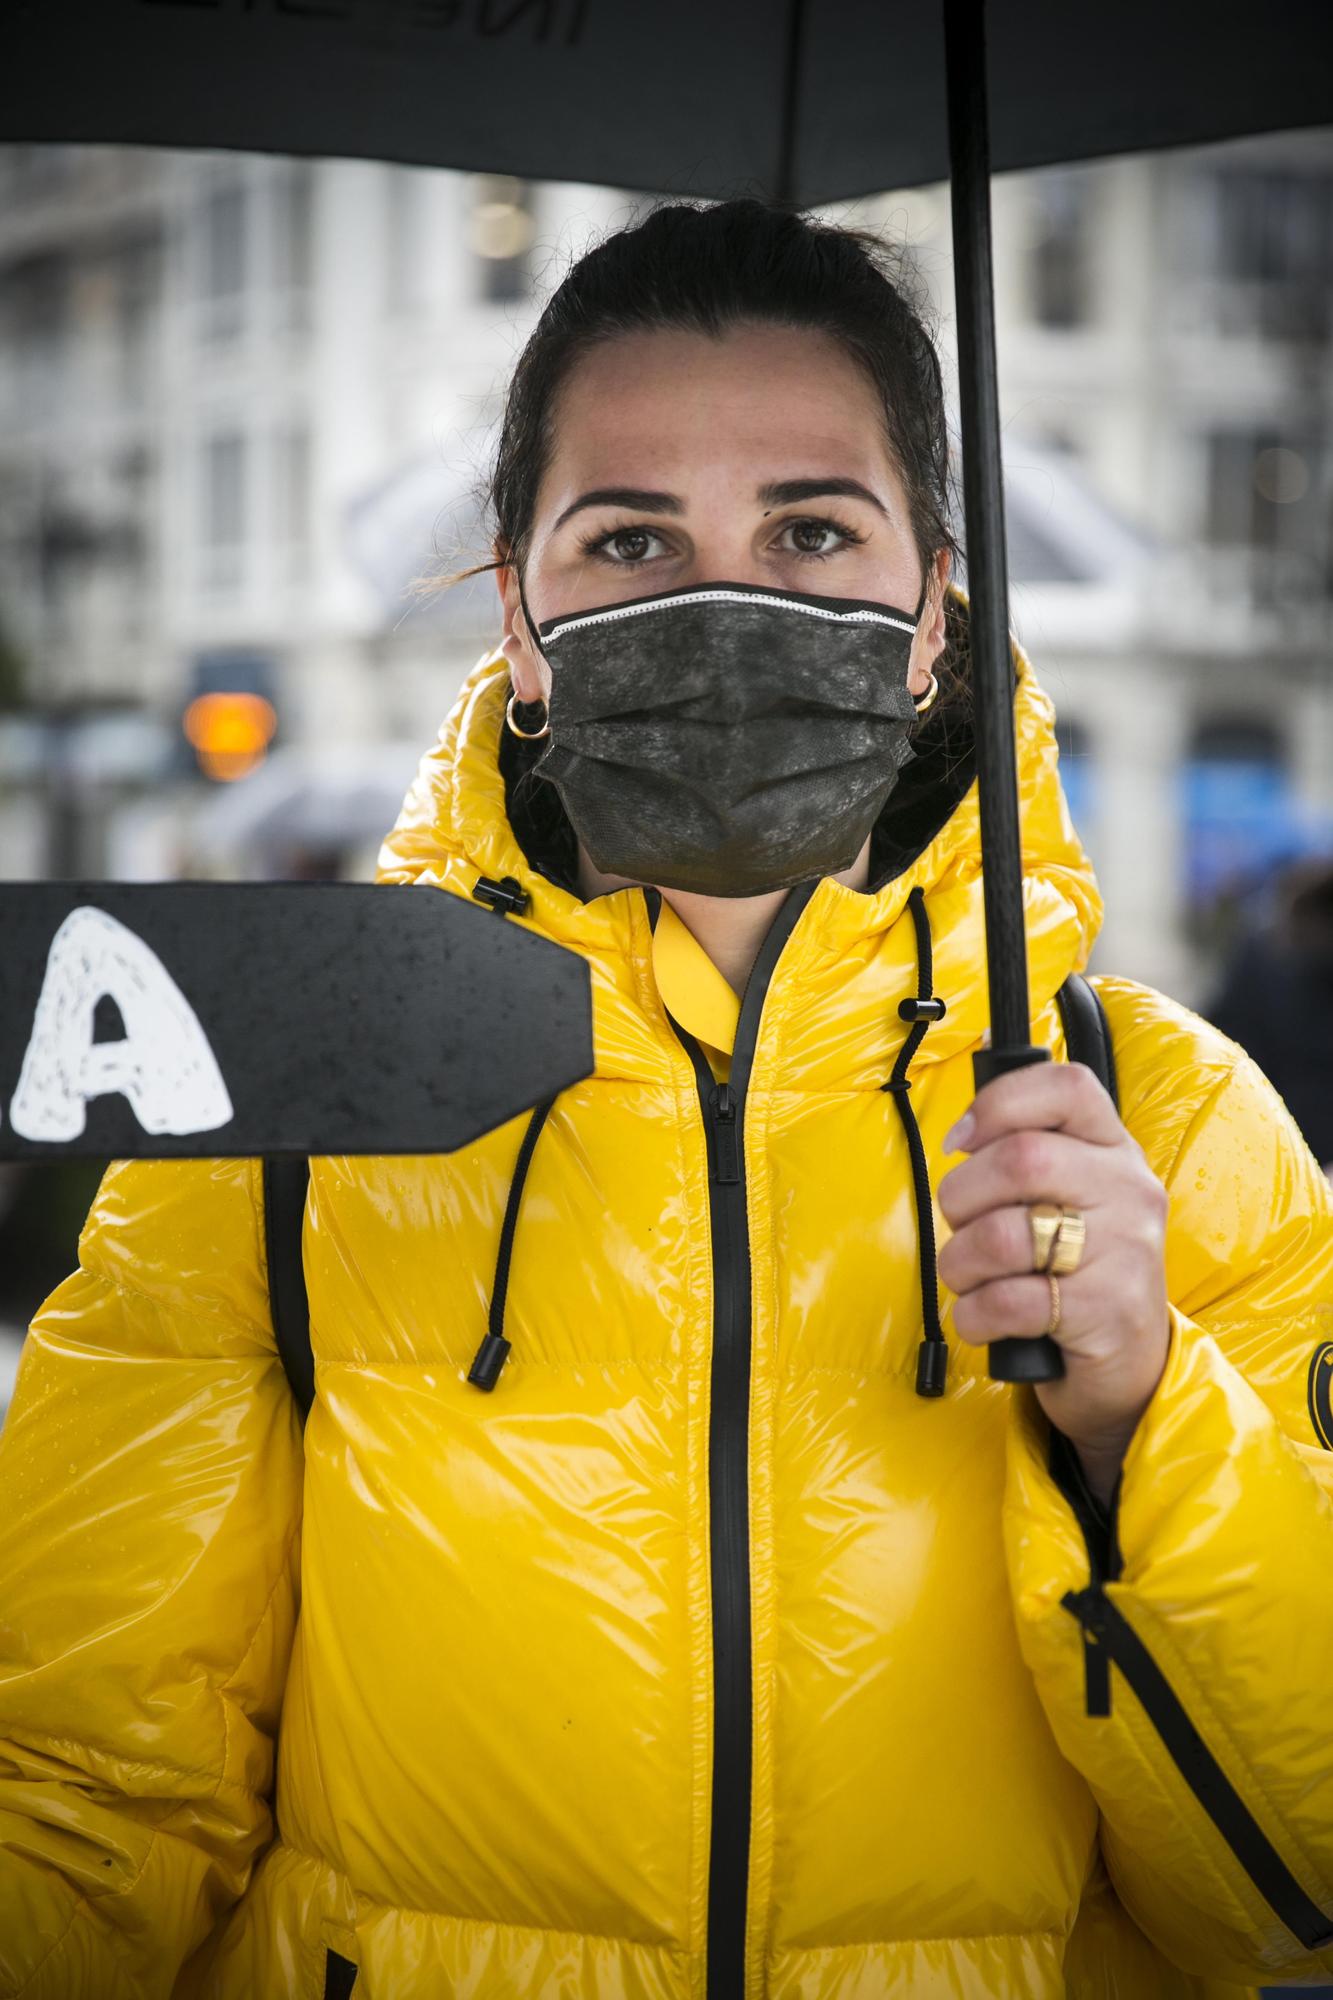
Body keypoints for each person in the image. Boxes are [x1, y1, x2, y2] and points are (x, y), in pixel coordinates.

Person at [1, 200, 1330, 2000]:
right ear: (523, 622)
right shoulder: (287, 1107)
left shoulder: (1160, 1128)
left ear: (934, 605)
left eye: (811, 528)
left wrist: (1143, 1427)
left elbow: (1289, 1880)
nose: (728, 602)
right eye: (630, 538)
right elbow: (81, 1797)